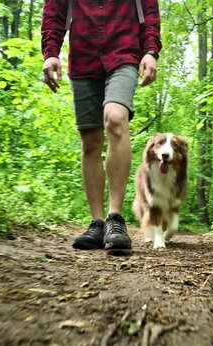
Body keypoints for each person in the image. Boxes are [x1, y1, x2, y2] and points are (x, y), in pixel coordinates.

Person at [41, 0, 161, 254]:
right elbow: (55, 11)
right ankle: (96, 224)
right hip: (83, 57)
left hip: (125, 52)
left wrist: (150, 50)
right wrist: (51, 53)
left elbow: (149, 10)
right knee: (90, 140)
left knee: (116, 119)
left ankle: (115, 219)